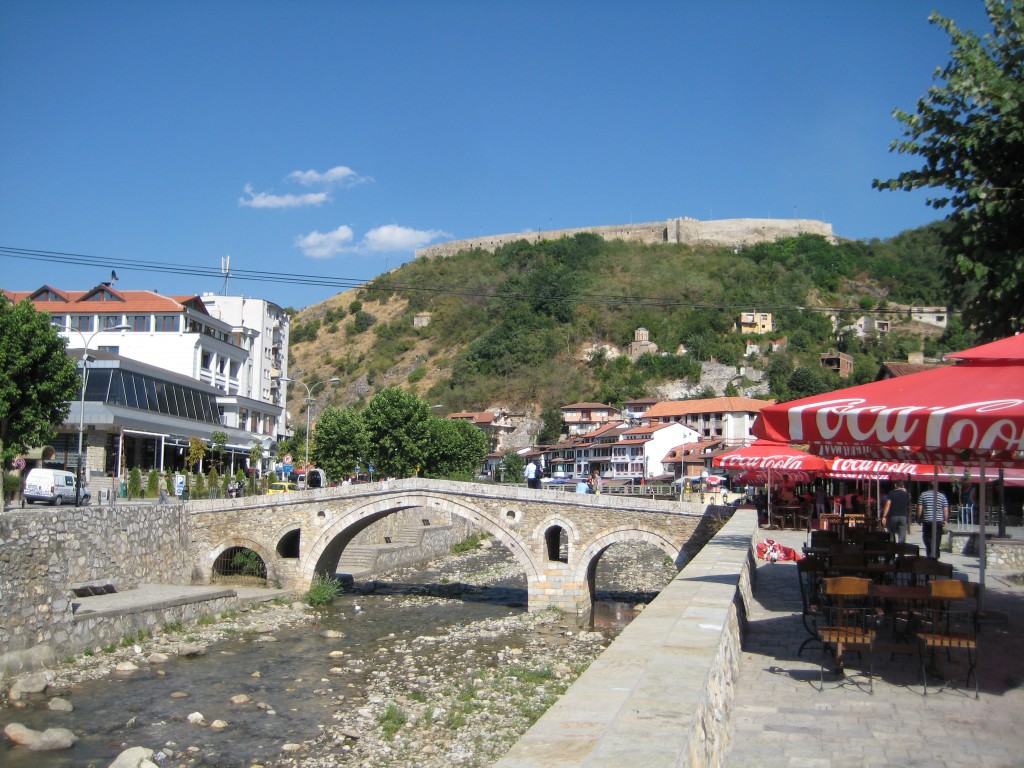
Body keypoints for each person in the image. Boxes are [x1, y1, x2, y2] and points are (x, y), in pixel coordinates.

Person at [917, 486, 950, 559]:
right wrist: (945, 519)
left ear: (928, 486)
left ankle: (930, 554)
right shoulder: (942, 496)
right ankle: (935, 556)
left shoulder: (923, 495)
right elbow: (945, 509)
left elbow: (920, 507)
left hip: (927, 520)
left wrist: (919, 518)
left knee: (927, 538)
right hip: (938, 521)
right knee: (937, 539)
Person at [881, 480, 911, 544]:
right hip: (903, 516)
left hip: (892, 516)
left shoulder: (891, 493)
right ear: (903, 486)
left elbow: (887, 505)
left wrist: (884, 516)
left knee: (891, 534)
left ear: (895, 485)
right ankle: (901, 552)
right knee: (902, 537)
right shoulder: (906, 494)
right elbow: (908, 505)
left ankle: (891, 551)